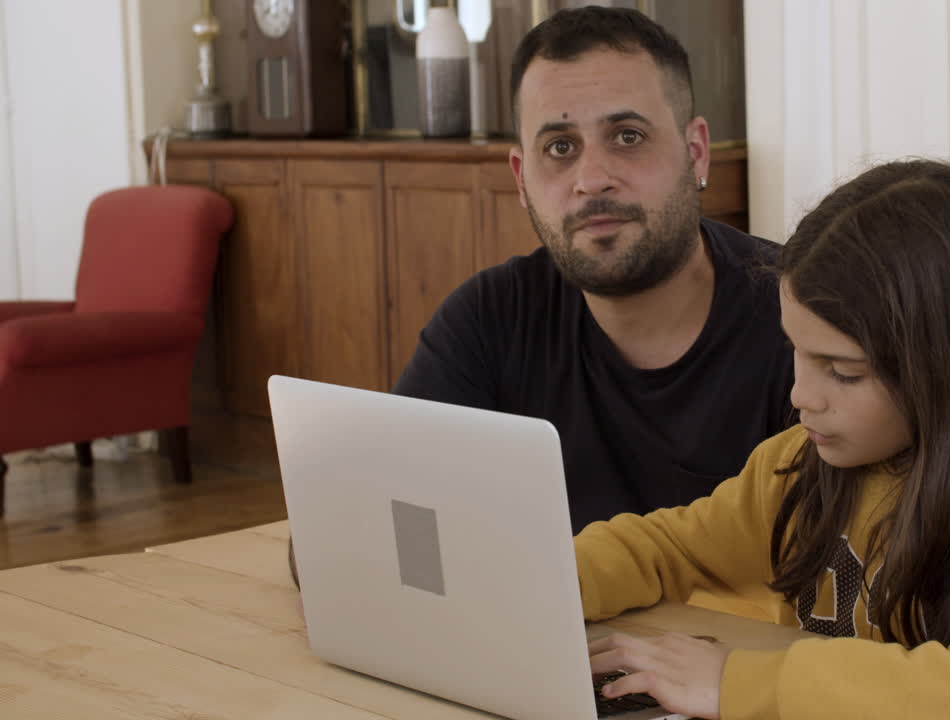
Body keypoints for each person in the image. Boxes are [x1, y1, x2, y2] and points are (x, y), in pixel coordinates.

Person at [576, 159, 950, 720]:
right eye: (796, 350)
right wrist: (540, 585)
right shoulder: (795, 465)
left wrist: (739, 683)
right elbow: (667, 549)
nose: (801, 395)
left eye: (842, 371)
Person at [287, 8, 792, 588]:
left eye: (627, 137)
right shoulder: (490, 319)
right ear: (521, 180)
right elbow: (352, 527)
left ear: (696, 153)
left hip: (731, 668)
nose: (592, 178)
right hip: (553, 656)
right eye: (560, 147)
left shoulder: (799, 317)